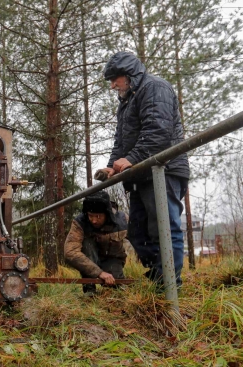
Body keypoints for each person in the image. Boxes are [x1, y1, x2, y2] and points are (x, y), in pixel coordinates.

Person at [96, 51, 190, 287]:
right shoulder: (126, 101)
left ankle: (169, 285)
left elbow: (158, 131)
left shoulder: (155, 88)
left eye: (114, 79)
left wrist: (132, 158)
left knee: (164, 228)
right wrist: (111, 167)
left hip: (163, 169)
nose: (112, 85)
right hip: (141, 172)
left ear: (128, 75)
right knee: (137, 231)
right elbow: (121, 139)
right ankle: (159, 273)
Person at [64, 191, 128, 296]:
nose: (94, 220)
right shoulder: (80, 223)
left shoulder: (122, 220)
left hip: (112, 258)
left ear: (107, 214)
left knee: (116, 292)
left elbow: (140, 240)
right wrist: (99, 273)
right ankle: (89, 290)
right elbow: (70, 252)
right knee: (87, 244)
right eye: (91, 215)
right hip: (89, 260)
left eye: (98, 216)